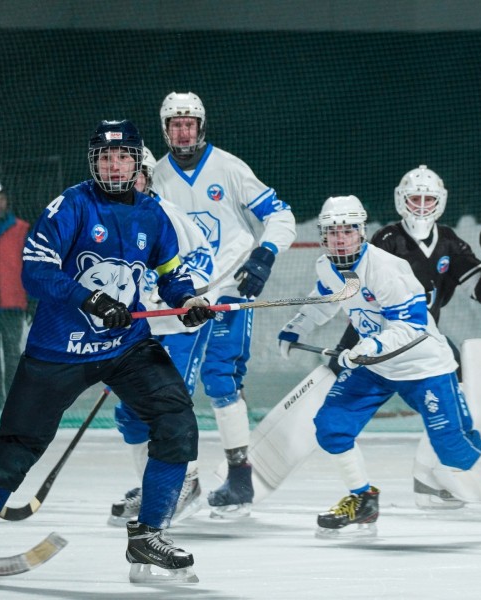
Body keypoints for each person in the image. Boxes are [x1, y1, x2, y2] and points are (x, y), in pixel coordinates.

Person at [0, 120, 215, 583]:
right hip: (60, 347)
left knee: (176, 420)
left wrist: (188, 302)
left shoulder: (152, 216)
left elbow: (171, 275)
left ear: (138, 162)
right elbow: (35, 273)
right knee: (18, 445)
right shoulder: (71, 206)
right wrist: (90, 298)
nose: (112, 164)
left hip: (125, 345)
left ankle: (148, 536)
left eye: (121, 157)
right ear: (93, 161)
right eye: (103, 156)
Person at [278, 194, 481, 537]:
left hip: (424, 368)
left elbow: (412, 326)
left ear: (361, 232)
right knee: (332, 427)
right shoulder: (326, 266)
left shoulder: (387, 268)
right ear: (323, 235)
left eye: (347, 231)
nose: (340, 238)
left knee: (456, 451)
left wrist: (368, 347)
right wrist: (297, 327)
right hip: (376, 367)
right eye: (332, 232)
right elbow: (325, 299)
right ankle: (363, 499)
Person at [329, 165, 481, 508]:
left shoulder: (449, 241)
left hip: (424, 340)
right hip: (382, 339)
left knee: (454, 399)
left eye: (428, 199)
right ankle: (374, 486)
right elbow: (363, 299)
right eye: (414, 199)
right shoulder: (386, 240)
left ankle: (430, 473)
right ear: (401, 201)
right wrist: (347, 345)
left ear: (440, 202)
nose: (421, 206)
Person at [152, 91, 296, 519]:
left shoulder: (229, 169)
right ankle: (178, 479)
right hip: (182, 298)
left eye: (189, 123)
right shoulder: (157, 176)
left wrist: (264, 255)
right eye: (175, 124)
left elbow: (281, 215)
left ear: (201, 125)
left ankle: (239, 477)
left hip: (229, 293)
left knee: (220, 380)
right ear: (166, 129)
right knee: (169, 386)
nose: (183, 130)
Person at [108, 146, 215, 527]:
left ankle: (188, 482)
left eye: (134, 171)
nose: (126, 178)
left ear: (146, 176)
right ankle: (151, 486)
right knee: (130, 414)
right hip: (139, 333)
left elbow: (203, 260)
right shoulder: (109, 221)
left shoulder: (168, 216)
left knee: (169, 408)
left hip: (181, 329)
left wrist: (180, 292)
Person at [0, 181, 29, 409]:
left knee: (12, 355)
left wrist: (34, 301)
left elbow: (32, 268)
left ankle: (11, 403)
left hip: (11, 304)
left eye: (1, 197)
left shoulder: (21, 229)